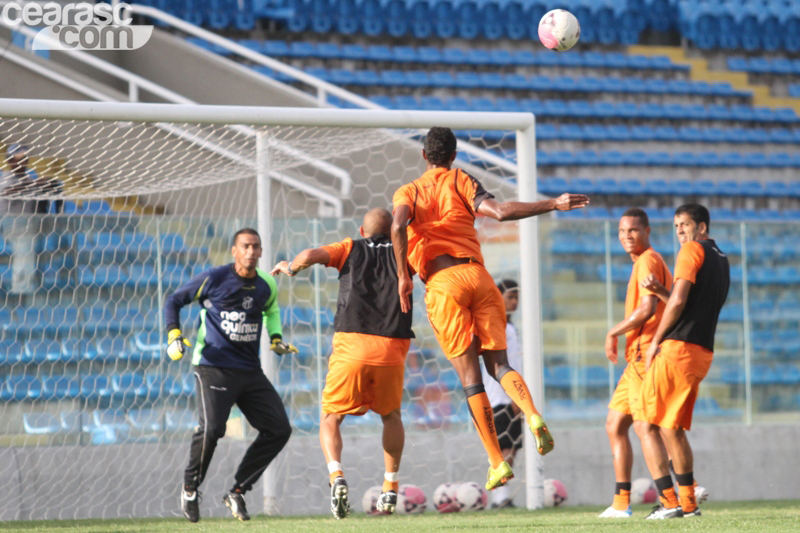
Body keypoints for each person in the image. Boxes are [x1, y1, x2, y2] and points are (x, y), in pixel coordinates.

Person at [391, 126, 589, 491]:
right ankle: (531, 414)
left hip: (443, 283)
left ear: (424, 156)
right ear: (453, 155)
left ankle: (497, 462)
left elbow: (398, 225)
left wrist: (404, 276)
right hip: (479, 277)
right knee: (500, 365)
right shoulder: (461, 179)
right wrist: (552, 203)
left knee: (471, 379)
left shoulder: (409, 191)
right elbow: (498, 211)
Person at [270, 208, 414, 519]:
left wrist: (291, 268)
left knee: (331, 417)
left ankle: (336, 477)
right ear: (393, 233)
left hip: (352, 347)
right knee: (391, 416)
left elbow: (309, 254)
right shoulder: (407, 250)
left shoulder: (351, 247)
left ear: (362, 229)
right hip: (392, 347)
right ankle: (390, 489)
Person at [164, 228, 298, 523]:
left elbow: (271, 309)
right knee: (212, 429)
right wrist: (174, 334)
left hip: (250, 370)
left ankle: (237, 491)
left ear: (262, 252)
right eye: (245, 246)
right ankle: (190, 488)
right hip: (213, 367)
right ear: (234, 251)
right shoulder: (214, 278)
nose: (251, 251)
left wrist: (275, 338)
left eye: (256, 247)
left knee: (279, 429)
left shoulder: (266, 285)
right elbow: (173, 300)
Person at [638, 204, 729, 519]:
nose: (679, 230)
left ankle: (669, 502)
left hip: (678, 348)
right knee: (671, 427)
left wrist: (655, 343)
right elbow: (690, 303)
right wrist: (662, 290)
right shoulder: (721, 259)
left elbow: (678, 302)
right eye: (676, 225)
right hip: (701, 351)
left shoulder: (691, 250)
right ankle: (688, 505)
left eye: (685, 224)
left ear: (701, 227)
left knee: (645, 424)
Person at [598, 208, 673, 518]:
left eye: (633, 230)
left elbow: (646, 309)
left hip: (646, 355)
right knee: (615, 425)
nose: (627, 236)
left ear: (647, 232)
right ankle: (620, 504)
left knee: (645, 428)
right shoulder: (642, 262)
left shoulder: (647, 260)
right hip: (635, 360)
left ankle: (673, 499)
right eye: (622, 231)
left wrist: (612, 332)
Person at [480, 279, 523, 509]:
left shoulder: (511, 326)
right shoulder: (496, 326)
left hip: (512, 396)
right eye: (510, 297)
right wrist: (514, 397)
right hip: (500, 397)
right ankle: (499, 497)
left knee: (511, 449)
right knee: (503, 449)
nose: (514, 302)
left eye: (517, 297)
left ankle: (503, 496)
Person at [0, 144, 39, 297]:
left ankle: (24, 290)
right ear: (10, 161)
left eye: (25, 160)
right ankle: (20, 292)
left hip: (28, 229)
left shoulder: (29, 178)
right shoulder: (5, 178)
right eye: (19, 160)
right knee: (22, 258)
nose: (23, 163)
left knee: (26, 261)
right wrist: (29, 184)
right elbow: (9, 191)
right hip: (12, 228)